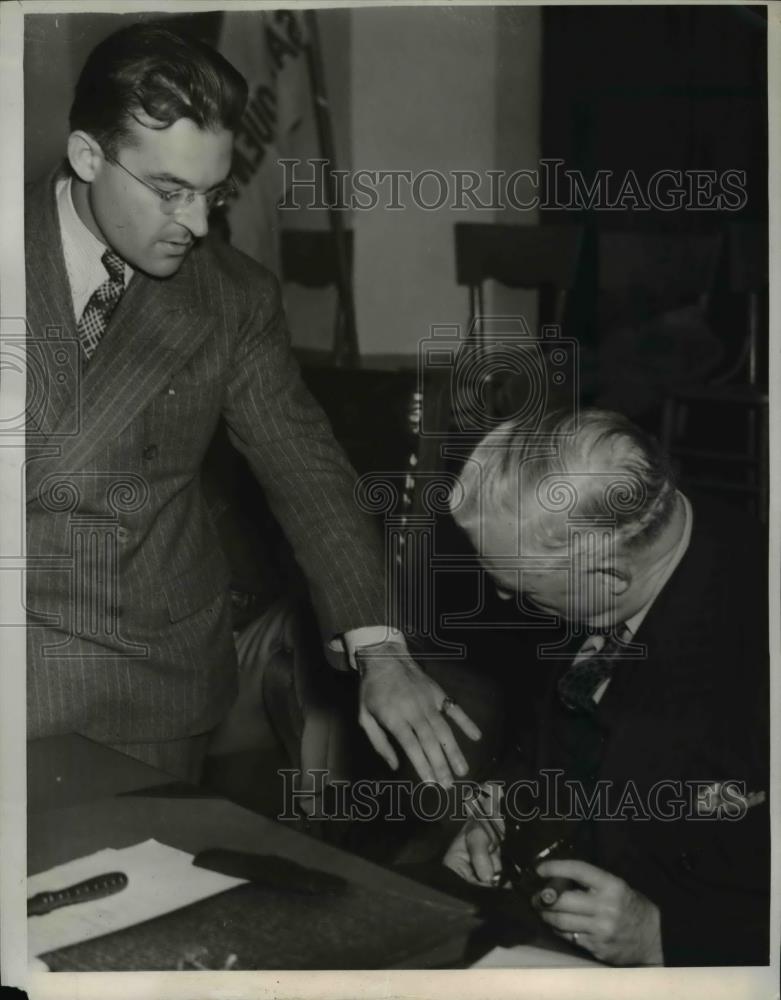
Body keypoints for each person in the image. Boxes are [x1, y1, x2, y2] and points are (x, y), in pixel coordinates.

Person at [25, 21, 480, 784]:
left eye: (213, 193)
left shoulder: (232, 298)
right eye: (170, 192)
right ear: (87, 156)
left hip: (141, 689)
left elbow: (304, 469)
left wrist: (380, 650)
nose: (198, 226)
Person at [441, 408, 769, 966]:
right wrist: (508, 809)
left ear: (609, 577)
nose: (503, 600)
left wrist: (667, 938)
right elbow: (567, 730)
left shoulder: (755, 659)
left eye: (520, 587)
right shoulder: (633, 550)